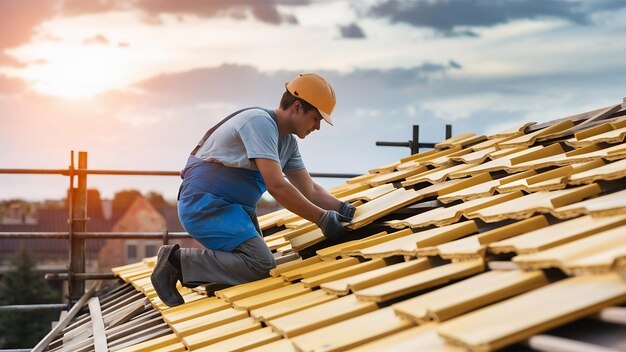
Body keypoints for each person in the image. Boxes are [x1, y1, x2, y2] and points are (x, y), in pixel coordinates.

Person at [151, 73, 356, 307]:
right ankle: (175, 262)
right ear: (297, 107)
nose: (318, 127)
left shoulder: (287, 142)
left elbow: (310, 190)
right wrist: (321, 219)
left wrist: (345, 209)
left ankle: (215, 277)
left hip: (233, 210)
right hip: (205, 205)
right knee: (260, 263)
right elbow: (277, 186)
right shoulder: (259, 123)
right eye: (316, 118)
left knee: (259, 268)